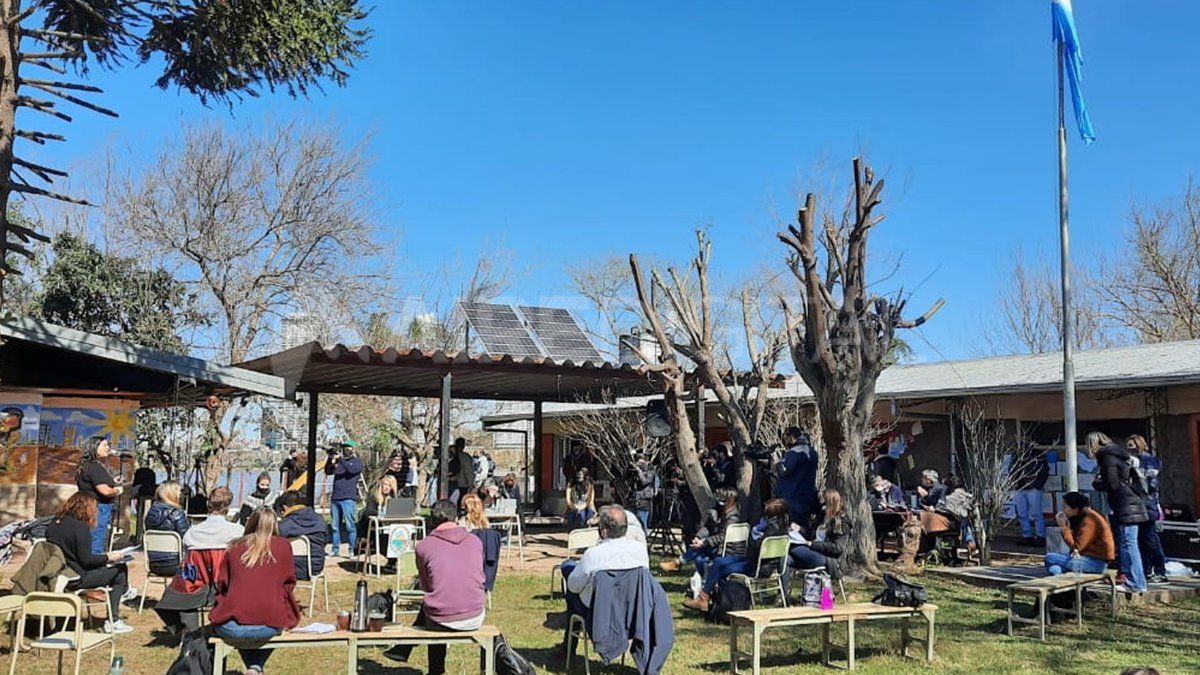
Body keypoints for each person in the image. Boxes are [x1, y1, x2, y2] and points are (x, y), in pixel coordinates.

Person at [383, 499, 487, 673]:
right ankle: (404, 650)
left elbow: (426, 586)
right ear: (456, 517)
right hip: (475, 613)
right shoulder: (475, 541)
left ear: (432, 521)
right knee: (438, 603)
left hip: (442, 616)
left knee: (435, 605)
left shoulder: (424, 547)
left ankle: (431, 667)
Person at [210, 507, 302, 675]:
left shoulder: (234, 547)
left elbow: (222, 584)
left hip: (230, 626)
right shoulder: (283, 546)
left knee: (247, 631)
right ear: (275, 525)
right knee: (270, 624)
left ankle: (254, 668)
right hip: (267, 626)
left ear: (250, 522)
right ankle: (255, 667)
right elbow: (288, 584)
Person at [157, 487, 243, 638]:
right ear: (228, 507)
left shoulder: (192, 533)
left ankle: (190, 630)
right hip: (227, 586)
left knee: (179, 585)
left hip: (195, 585)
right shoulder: (238, 532)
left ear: (208, 505)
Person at [46, 492, 134, 633]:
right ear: (87, 508)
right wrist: (108, 557)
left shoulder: (54, 524)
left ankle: (125, 592)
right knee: (120, 571)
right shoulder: (80, 528)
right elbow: (86, 561)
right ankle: (114, 619)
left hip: (58, 574)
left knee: (114, 567)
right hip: (76, 577)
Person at [685, 498, 791, 613]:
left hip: (759, 567)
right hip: (756, 562)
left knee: (723, 568)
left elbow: (755, 549)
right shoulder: (781, 526)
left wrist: (754, 533)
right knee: (719, 562)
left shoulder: (771, 530)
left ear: (771, 515)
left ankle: (714, 600)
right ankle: (705, 597)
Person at [1086, 431, 1149, 592]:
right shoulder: (1119, 453)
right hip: (1131, 501)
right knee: (1128, 542)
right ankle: (1132, 580)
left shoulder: (1105, 456)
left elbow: (1113, 484)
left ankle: (1136, 582)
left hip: (1124, 503)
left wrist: (1097, 484)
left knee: (1129, 543)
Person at [565, 505, 650, 610]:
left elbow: (574, 586)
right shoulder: (640, 551)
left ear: (604, 531)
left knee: (567, 567)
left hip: (598, 609)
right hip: (631, 606)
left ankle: (572, 621)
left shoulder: (593, 554)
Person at [660, 487, 741, 574]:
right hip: (714, 545)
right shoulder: (717, 511)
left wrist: (704, 542)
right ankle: (705, 582)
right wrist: (698, 537)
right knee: (699, 559)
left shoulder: (734, 517)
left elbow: (723, 536)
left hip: (726, 548)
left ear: (730, 501)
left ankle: (677, 563)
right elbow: (707, 527)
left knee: (698, 548)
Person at [1126, 434, 1168, 583]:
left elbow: (1151, 485)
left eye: (1132, 446)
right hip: (1136, 505)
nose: (1129, 450)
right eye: (1128, 447)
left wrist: (1136, 477)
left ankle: (1160, 571)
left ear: (1139, 445)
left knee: (1151, 539)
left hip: (1147, 504)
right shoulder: (1130, 461)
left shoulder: (1147, 461)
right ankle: (1147, 570)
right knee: (1141, 539)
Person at [1045, 491, 1114, 577]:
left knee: (1050, 557)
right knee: (1054, 568)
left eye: (1065, 507)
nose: (1063, 510)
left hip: (1096, 562)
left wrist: (1064, 527)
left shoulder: (1089, 520)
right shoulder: (1082, 516)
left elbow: (1077, 548)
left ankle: (1058, 575)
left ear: (1075, 507)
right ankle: (1058, 575)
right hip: (1086, 558)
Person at [788, 489, 851, 579]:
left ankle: (825, 592)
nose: (821, 507)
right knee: (786, 559)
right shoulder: (822, 517)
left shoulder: (840, 522)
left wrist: (812, 544)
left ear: (830, 504)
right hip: (813, 552)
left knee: (793, 548)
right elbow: (812, 535)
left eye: (824, 504)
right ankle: (783, 592)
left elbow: (838, 548)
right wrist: (799, 529)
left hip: (829, 559)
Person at [76, 436, 123, 554]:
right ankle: (95, 567)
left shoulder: (87, 465)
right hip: (98, 508)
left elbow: (93, 483)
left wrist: (113, 481)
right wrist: (117, 490)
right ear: (94, 447)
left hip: (87, 506)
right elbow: (105, 491)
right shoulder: (95, 467)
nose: (108, 448)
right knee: (96, 540)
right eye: (105, 445)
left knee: (89, 539)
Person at [324, 440, 364, 558]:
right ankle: (335, 550)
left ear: (353, 449)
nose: (345, 449)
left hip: (348, 498)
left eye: (348, 447)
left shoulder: (357, 462)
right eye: (344, 447)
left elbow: (351, 470)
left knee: (350, 526)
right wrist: (330, 458)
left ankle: (352, 550)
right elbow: (328, 471)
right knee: (335, 526)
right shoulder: (338, 462)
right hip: (336, 497)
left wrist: (340, 459)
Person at [276, 490, 327, 580]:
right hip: (315, 567)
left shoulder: (283, 526)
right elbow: (325, 542)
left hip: (288, 568)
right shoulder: (320, 521)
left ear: (285, 507)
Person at [143, 480, 190, 577]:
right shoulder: (177, 513)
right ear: (172, 494)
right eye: (179, 491)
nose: (181, 494)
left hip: (153, 564)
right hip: (176, 564)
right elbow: (187, 538)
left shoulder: (150, 513)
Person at [774, 427, 819, 525]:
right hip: (807, 496)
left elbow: (784, 470)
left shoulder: (795, 452)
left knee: (794, 530)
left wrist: (776, 462)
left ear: (790, 438)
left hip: (793, 498)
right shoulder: (812, 451)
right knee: (804, 528)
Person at [1012, 444, 1051, 546]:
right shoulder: (1017, 455)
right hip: (1020, 487)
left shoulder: (1038, 455)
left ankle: (1040, 536)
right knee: (1022, 514)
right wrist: (1015, 482)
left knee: (1036, 514)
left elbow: (1044, 471)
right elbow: (1011, 469)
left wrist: (1037, 485)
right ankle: (1027, 536)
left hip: (1032, 488)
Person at [357, 475, 399, 543]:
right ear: (381, 485)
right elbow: (369, 512)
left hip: (389, 526)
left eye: (389, 485)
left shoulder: (394, 499)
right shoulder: (373, 498)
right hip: (374, 526)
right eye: (385, 484)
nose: (386, 488)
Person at [130, 462, 158, 545]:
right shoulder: (156, 489)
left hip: (141, 504)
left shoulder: (137, 488)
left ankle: (139, 538)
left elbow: (132, 493)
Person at [630, 453, 657, 531]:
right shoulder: (635, 472)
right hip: (633, 499)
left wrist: (639, 471)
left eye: (641, 463)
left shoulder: (650, 471)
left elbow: (644, 482)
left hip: (644, 501)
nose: (639, 465)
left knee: (642, 524)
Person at [449, 437, 474, 503]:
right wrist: (471, 484)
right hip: (462, 484)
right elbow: (468, 471)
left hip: (452, 482)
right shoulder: (466, 457)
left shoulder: (451, 456)